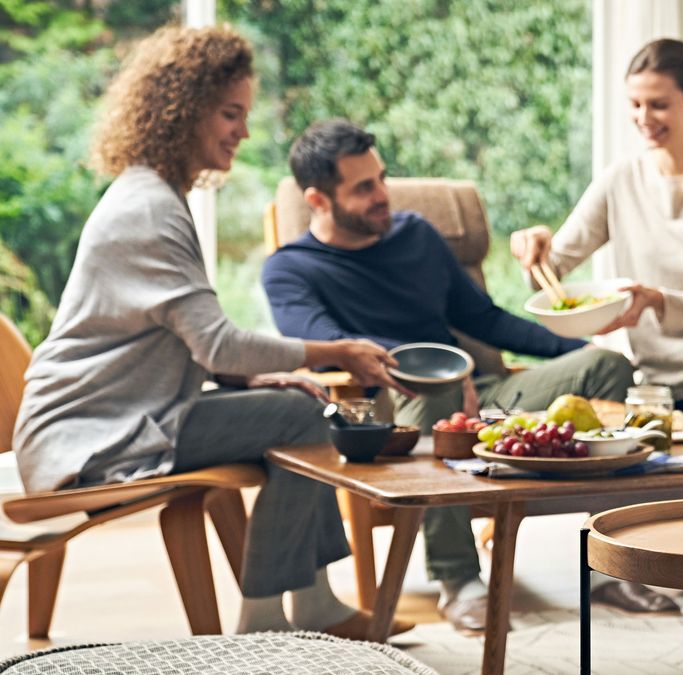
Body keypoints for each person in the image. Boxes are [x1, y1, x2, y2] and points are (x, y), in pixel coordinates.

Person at [12, 26, 410, 639]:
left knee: (299, 403)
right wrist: (337, 352)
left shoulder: (155, 195)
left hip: (122, 413)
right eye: (230, 114)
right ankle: (266, 621)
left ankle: (311, 601)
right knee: (303, 418)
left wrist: (258, 374)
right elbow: (217, 342)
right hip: (91, 433)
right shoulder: (148, 209)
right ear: (183, 110)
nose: (243, 132)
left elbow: (184, 339)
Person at [261, 119, 671, 632]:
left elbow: (484, 318)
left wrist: (579, 343)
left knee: (607, 366)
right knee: (438, 392)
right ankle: (459, 580)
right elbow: (325, 346)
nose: (382, 195)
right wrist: (442, 368)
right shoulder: (290, 269)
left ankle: (604, 564)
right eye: (363, 188)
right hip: (390, 410)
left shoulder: (416, 235)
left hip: (479, 391)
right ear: (319, 199)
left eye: (382, 178)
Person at [510, 38, 683, 619]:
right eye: (635, 105)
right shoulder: (621, 179)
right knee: (599, 413)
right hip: (651, 373)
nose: (644, 119)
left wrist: (658, 299)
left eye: (658, 104)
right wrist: (532, 240)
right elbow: (554, 265)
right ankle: (636, 563)